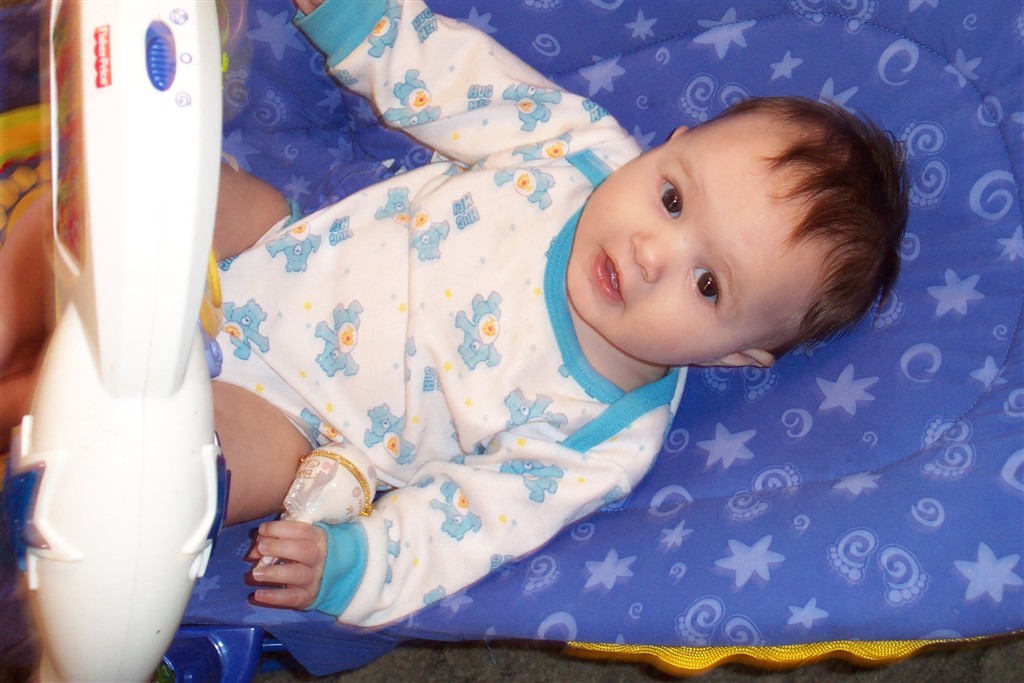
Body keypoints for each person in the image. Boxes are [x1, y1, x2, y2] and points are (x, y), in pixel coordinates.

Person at [0, 0, 907, 627]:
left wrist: (357, 565)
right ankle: (18, 305)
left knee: (169, 470)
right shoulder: (577, 149)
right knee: (156, 187)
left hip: (293, 417)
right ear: (669, 145)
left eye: (708, 286)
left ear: (740, 357)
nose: (650, 252)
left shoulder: (603, 438)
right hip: (275, 249)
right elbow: (458, 80)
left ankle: (34, 406)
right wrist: (361, 25)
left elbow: (467, 527)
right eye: (673, 198)